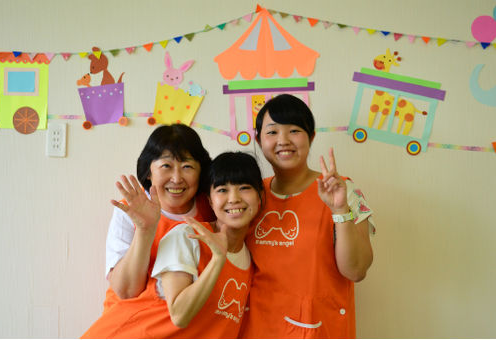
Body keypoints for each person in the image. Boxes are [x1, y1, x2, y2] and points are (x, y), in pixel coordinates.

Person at [82, 152, 263, 338]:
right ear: (210, 200)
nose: (233, 198)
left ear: (260, 197)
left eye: (245, 188)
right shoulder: (186, 236)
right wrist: (218, 260)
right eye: (222, 190)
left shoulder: (248, 258)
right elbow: (180, 315)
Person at [239, 94, 375, 338]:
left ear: (311, 137)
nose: (283, 140)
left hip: (318, 329)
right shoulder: (249, 195)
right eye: (272, 132)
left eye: (294, 130)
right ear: (258, 140)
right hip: (257, 329)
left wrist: (340, 211)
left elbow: (356, 271)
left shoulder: (344, 190)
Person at [103, 124, 215, 311]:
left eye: (187, 166)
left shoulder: (212, 205)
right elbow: (126, 291)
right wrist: (145, 229)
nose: (177, 178)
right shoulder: (130, 209)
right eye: (166, 166)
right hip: (133, 321)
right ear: (148, 172)